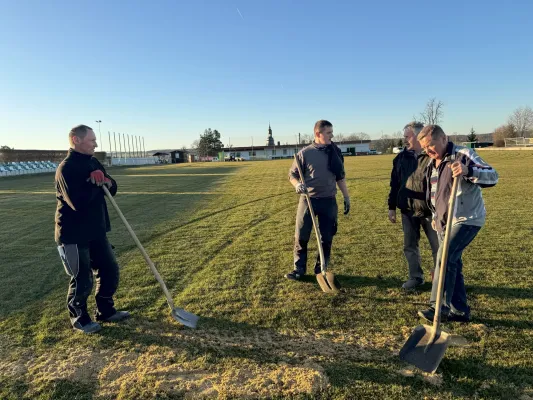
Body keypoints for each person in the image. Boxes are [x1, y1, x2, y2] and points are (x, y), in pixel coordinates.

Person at [416, 125, 498, 323]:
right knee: (453, 263)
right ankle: (460, 311)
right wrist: (436, 218)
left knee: (444, 258)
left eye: (431, 146)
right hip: (444, 222)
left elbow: (492, 176)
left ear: (444, 139)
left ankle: (439, 306)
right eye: (424, 148)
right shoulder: (431, 163)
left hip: (467, 219)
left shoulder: (463, 154)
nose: (428, 151)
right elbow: (435, 195)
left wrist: (467, 170)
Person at [55, 124, 130, 334]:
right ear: (76, 140)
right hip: (73, 233)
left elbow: (111, 189)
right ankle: (80, 318)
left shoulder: (93, 162)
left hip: (97, 230)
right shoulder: (66, 168)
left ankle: (106, 310)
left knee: (109, 269)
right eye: (92, 140)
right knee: (82, 278)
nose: (95, 144)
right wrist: (92, 183)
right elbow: (76, 202)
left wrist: (106, 180)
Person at [285, 120, 351, 280]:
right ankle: (299, 269)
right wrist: (298, 184)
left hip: (329, 201)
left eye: (331, 132)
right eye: (329, 133)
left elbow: (340, 177)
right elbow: (292, 175)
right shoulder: (305, 153)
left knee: (326, 237)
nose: (332, 136)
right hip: (308, 200)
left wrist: (346, 197)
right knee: (301, 236)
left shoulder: (335, 152)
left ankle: (321, 269)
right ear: (318, 134)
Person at [388, 121, 439, 290]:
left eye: (407, 136)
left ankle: (442, 278)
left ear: (418, 137)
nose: (404, 140)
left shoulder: (433, 157)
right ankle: (415, 277)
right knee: (410, 246)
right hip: (408, 210)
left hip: (431, 212)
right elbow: (394, 185)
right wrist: (392, 207)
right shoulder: (399, 159)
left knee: (438, 246)